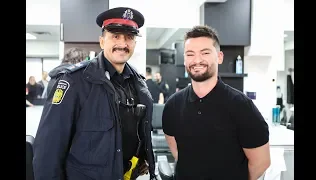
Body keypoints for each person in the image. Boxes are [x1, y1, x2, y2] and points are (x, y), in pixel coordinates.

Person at [33, 7, 157, 180]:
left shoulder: (137, 82)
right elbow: (48, 149)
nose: (122, 43)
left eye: (129, 37)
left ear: (134, 43)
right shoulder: (74, 81)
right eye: (115, 36)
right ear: (101, 41)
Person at [162, 25, 270, 180]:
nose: (197, 60)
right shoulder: (172, 106)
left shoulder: (241, 106)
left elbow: (261, 162)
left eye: (205, 53)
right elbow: (178, 153)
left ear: (219, 57)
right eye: (190, 54)